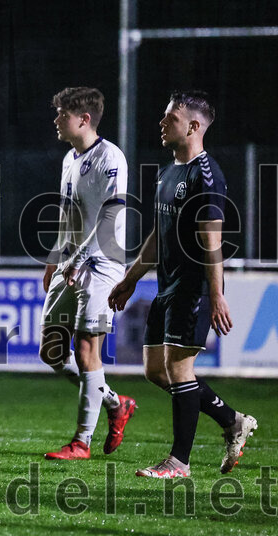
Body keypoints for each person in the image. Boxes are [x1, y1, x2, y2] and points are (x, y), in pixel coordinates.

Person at [109, 91, 257, 478]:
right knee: (155, 371)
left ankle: (179, 462)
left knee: (179, 370)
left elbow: (212, 242)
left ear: (193, 126)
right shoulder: (167, 171)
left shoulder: (206, 176)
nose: (161, 123)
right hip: (166, 287)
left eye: (169, 117)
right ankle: (232, 420)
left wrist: (217, 294)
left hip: (192, 289)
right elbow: (159, 237)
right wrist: (130, 280)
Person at [37, 87, 137, 461]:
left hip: (102, 264)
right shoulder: (69, 158)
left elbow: (110, 217)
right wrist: (54, 258)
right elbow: (69, 215)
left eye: (61, 113)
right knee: (51, 351)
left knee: (85, 350)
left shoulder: (111, 158)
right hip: (70, 263)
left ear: (84, 119)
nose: (56, 120)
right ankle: (115, 402)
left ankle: (82, 442)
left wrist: (78, 259)